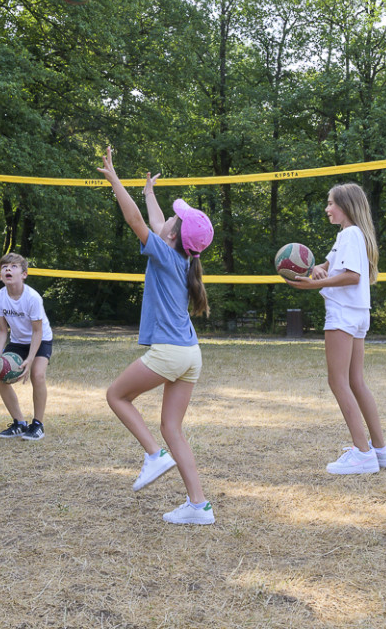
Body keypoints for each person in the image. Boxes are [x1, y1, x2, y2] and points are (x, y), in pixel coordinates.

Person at [96, 147, 216, 525]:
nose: (168, 221)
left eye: (174, 221)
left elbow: (136, 222)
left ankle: (153, 455)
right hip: (190, 354)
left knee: (116, 396)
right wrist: (149, 192)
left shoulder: (164, 255)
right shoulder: (181, 257)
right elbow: (157, 219)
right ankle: (199, 506)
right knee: (172, 428)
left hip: (169, 353)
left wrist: (115, 179)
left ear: (175, 235)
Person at [288, 182, 386, 475]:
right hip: (358, 314)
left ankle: (362, 453)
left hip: (343, 314)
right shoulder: (352, 235)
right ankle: (380, 451)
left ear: (346, 206)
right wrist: (317, 270)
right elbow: (329, 267)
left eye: (331, 203)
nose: (327, 208)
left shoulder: (349, 234)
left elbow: (350, 276)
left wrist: (315, 283)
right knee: (356, 381)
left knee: (338, 382)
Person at [0, 252, 52, 441]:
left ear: (24, 274)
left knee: (37, 375)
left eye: (14, 266)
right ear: (1, 276)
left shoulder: (32, 298)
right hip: (17, 341)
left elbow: (37, 332)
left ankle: (38, 425)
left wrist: (30, 360)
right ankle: (19, 423)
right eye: (4, 267)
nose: (8, 269)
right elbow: (2, 331)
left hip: (41, 339)